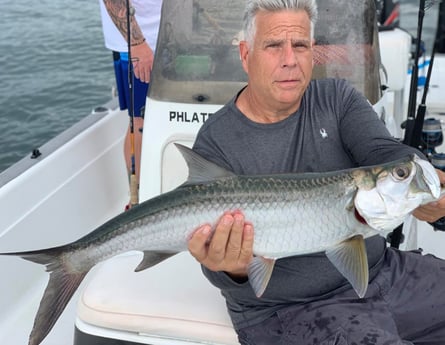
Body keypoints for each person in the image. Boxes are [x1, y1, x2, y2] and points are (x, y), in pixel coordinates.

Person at [187, 0, 445, 344]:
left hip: (384, 275)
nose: (289, 60)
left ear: (312, 53)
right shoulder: (218, 141)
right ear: (246, 54)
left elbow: (384, 152)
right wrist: (232, 267)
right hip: (291, 312)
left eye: (300, 45)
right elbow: (222, 269)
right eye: (274, 45)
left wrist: (420, 173)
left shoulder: (336, 99)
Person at [99, 0, 162, 205]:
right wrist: (137, 45)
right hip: (140, 46)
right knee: (141, 121)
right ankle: (139, 201)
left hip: (170, 35)